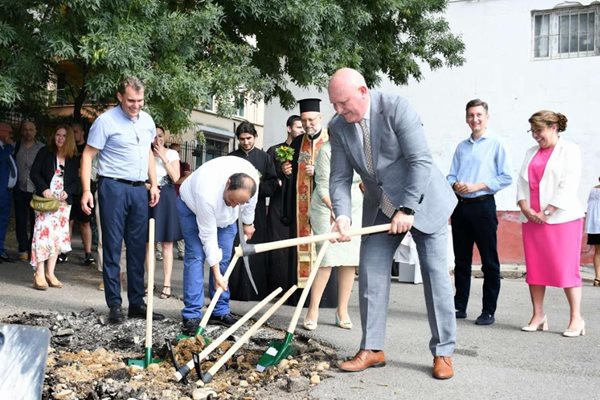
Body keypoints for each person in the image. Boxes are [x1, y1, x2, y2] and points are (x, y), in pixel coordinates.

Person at [328, 68, 457, 379]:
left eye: (344, 102)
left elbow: (420, 161)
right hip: (381, 207)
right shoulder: (338, 127)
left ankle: (444, 351)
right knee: (371, 271)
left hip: (423, 199)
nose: (339, 110)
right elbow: (340, 177)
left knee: (436, 276)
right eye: (334, 104)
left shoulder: (397, 108)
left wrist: (407, 207)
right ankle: (372, 349)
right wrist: (342, 216)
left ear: (363, 91)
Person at [80, 76, 163, 324]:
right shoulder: (105, 122)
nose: (136, 105)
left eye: (140, 100)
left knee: (138, 248)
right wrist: (86, 190)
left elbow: (148, 152)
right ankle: (115, 304)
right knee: (113, 247)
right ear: (119, 97)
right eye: (130, 101)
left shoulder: (147, 120)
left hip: (139, 189)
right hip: (113, 187)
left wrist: (154, 182)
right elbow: (87, 156)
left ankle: (136, 303)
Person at [517, 110, 586, 337]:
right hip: (532, 219)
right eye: (533, 131)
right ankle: (538, 315)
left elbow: (568, 184)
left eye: (539, 130)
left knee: (566, 268)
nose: (535, 136)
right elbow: (522, 181)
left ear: (554, 127)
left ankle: (576, 318)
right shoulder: (530, 152)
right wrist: (525, 207)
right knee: (535, 269)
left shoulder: (570, 150)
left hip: (561, 220)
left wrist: (547, 212)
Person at [447, 99, 512, 326]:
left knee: (489, 262)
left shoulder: (496, 144)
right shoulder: (461, 147)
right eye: (471, 115)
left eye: (479, 115)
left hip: (483, 206)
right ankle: (459, 305)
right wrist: (455, 185)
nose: (475, 119)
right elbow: (451, 175)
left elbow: (506, 176)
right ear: (467, 118)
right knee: (461, 261)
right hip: (461, 207)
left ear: (487, 117)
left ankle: (488, 310)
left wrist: (478, 185)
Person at [177, 156, 259, 334]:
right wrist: (216, 273)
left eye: (239, 203)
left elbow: (250, 205)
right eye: (232, 200)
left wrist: (247, 223)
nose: (233, 205)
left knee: (224, 260)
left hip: (227, 221)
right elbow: (208, 236)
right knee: (196, 256)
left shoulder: (252, 181)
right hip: (191, 209)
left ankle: (219, 310)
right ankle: (192, 315)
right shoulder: (206, 192)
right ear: (228, 184)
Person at [281, 99, 337, 306]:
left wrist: (319, 171)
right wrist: (286, 171)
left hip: (324, 204)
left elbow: (341, 171)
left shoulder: (331, 139)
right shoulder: (297, 142)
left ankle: (325, 298)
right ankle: (302, 297)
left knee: (325, 248)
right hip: (302, 206)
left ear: (320, 118)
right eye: (304, 120)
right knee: (303, 246)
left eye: (311, 120)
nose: (307, 124)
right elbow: (293, 173)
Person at [303, 139, 362, 331]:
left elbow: (365, 179)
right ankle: (313, 310)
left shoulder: (358, 147)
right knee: (326, 259)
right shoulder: (327, 150)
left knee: (349, 260)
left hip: (353, 205)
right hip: (326, 205)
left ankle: (342, 311)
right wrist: (336, 210)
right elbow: (322, 187)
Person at [228, 121, 278, 301]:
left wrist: (255, 187)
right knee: (234, 246)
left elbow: (273, 183)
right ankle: (233, 288)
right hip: (233, 209)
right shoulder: (231, 157)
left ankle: (256, 290)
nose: (246, 142)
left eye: (249, 138)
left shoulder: (264, 158)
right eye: (242, 139)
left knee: (255, 248)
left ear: (255, 137)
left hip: (256, 212)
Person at [29, 124, 79, 289]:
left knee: (56, 238)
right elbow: (34, 173)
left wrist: (67, 192)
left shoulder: (72, 157)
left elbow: (76, 182)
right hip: (45, 203)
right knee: (42, 237)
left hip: (63, 205)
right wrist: (44, 189)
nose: (60, 138)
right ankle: (39, 273)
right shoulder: (45, 152)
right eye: (58, 135)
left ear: (69, 139)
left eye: (64, 136)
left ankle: (51, 272)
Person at [265, 115, 304, 295]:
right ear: (289, 128)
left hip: (298, 206)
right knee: (277, 244)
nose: (302, 131)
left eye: (303, 128)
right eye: (299, 127)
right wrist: (280, 173)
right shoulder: (274, 151)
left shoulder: (304, 152)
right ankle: (276, 287)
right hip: (278, 204)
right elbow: (265, 179)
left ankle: (295, 288)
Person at [150, 126, 182, 299]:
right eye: (154, 136)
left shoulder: (172, 154)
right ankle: (150, 282)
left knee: (167, 243)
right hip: (150, 195)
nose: (158, 139)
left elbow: (176, 177)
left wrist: (163, 158)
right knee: (149, 243)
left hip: (168, 196)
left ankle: (167, 284)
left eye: (160, 136)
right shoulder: (145, 154)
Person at [64, 121, 95, 266]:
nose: (74, 134)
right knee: (68, 221)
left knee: (85, 222)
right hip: (70, 188)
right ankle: (64, 252)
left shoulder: (88, 149)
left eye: (76, 131)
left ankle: (88, 254)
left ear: (82, 132)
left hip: (84, 189)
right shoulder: (68, 149)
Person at [13, 121, 44, 261]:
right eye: (25, 129)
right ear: (21, 131)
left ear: (36, 131)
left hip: (35, 189)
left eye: (31, 129)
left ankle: (33, 248)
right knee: (20, 220)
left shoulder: (42, 148)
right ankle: (23, 248)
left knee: (35, 221)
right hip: (19, 188)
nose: (28, 132)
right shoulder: (16, 146)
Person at [169, 142, 191, 260]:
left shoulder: (184, 165)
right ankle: (158, 250)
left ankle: (181, 250)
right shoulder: (166, 163)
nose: (177, 153)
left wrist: (174, 180)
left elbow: (187, 177)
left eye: (178, 151)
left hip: (180, 197)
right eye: (174, 151)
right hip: (167, 196)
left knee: (181, 223)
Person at [0, 122, 17, 263]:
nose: (10, 135)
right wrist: (10, 146)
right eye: (8, 132)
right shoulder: (5, 148)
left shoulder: (6, 148)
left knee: (3, 222)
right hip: (1, 191)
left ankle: (1, 250)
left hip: (7, 191)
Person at [585, 177, 600, 286]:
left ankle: (598, 277)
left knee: (598, 252)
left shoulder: (593, 191)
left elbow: (590, 207)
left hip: (595, 226)